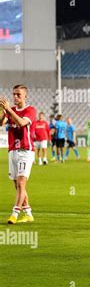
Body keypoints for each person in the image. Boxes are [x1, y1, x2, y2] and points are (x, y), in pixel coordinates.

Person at [0, 85, 37, 224]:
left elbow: (22, 123)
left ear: (25, 96)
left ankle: (14, 214)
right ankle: (28, 213)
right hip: (12, 150)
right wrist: (2, 111)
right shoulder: (11, 110)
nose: (15, 97)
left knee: (21, 183)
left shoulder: (30, 110)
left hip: (25, 150)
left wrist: (9, 110)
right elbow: (1, 122)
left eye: (18, 95)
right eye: (14, 94)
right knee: (17, 185)